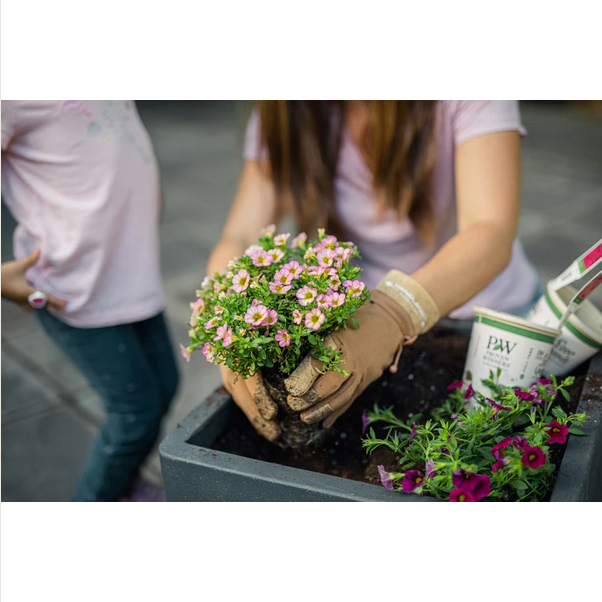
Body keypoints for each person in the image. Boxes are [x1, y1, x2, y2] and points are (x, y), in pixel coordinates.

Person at [206, 100, 542, 442]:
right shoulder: (287, 106)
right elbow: (241, 236)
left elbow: (491, 230)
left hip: (487, 319)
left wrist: (393, 313)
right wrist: (229, 334)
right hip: (366, 331)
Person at [1, 100, 179, 501]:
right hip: (74, 287)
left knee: (164, 386)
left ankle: (123, 485)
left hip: (132, 271)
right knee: (134, 415)